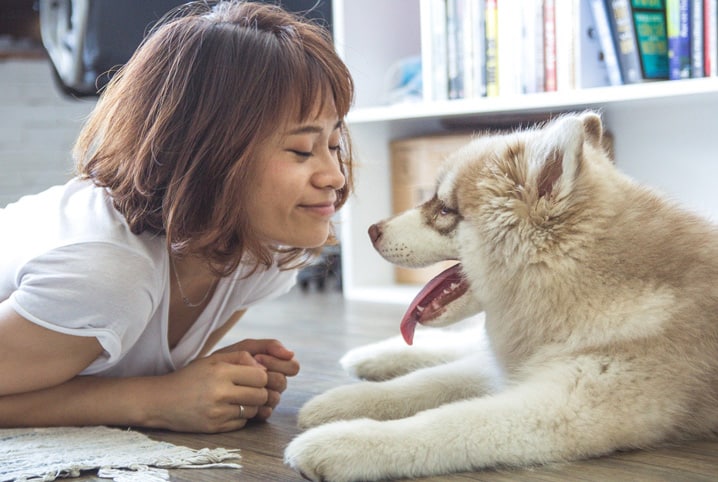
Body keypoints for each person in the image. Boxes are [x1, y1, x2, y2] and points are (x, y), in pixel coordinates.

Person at [0, 0, 354, 433]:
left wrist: (215, 380)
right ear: (207, 155)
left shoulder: (260, 251)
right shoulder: (106, 274)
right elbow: (145, 388)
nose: (335, 175)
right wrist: (151, 401)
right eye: (301, 150)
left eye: (334, 145)